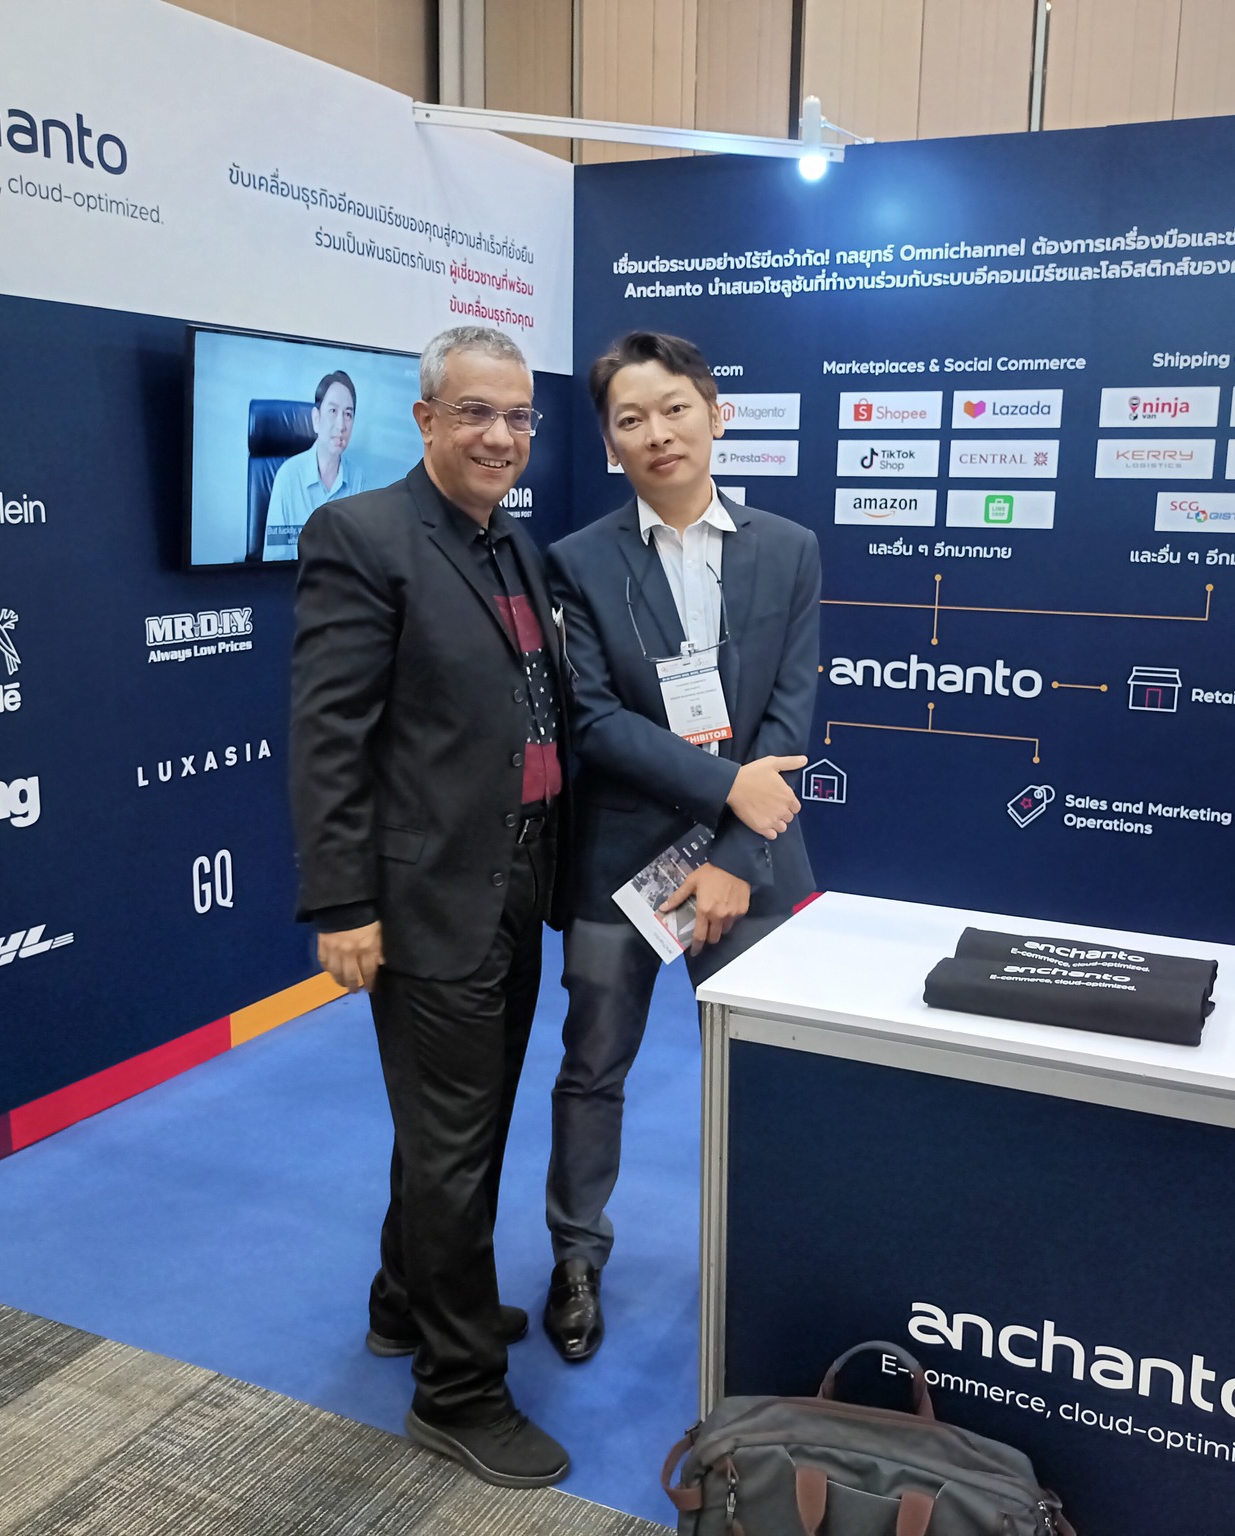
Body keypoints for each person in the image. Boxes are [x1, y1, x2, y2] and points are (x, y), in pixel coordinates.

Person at [288, 325, 570, 1487]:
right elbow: (327, 736)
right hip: (424, 898)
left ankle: (405, 1299)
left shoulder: (512, 545)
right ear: (424, 419)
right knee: (455, 1141)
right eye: (474, 413)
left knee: (462, 1123)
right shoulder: (360, 536)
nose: (499, 435)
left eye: (516, 416)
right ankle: (458, 1390)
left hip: (514, 881)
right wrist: (344, 902)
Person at [541, 331, 820, 1362]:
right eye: (631, 419)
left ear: (714, 414)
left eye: (674, 408)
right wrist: (725, 787)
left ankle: (776, 1257)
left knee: (765, 1074)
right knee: (592, 1067)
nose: (656, 433)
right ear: (609, 442)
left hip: (753, 859)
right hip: (618, 859)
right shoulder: (575, 562)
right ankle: (576, 1256)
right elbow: (592, 721)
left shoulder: (788, 548)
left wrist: (733, 854)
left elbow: (787, 717)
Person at [263, 369, 364, 560]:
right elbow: (274, 560)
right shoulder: (287, 477)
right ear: (316, 419)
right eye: (333, 411)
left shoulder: (358, 479)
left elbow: (359, 555)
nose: (341, 425)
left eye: (348, 414)